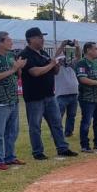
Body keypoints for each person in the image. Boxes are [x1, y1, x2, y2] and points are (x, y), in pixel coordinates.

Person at [19, 28, 78, 160]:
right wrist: (51, 64)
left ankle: (62, 148)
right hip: (34, 97)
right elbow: (35, 72)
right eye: (40, 37)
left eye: (42, 37)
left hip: (49, 95)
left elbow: (54, 71)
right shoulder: (25, 54)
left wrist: (56, 65)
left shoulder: (43, 53)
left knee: (56, 123)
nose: (42, 39)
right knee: (35, 126)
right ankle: (37, 151)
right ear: (31, 39)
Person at [0, 31, 27, 170]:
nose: (11, 42)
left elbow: (17, 76)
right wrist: (14, 68)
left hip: (13, 99)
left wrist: (19, 68)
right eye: (8, 40)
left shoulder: (11, 56)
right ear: (0, 42)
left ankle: (10, 157)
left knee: (12, 132)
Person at [76, 42, 97, 152]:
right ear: (88, 50)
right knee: (86, 122)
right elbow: (83, 79)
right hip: (87, 98)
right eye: (95, 49)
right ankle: (85, 145)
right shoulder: (82, 63)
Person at [54, 41, 81, 137]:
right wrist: (62, 45)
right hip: (61, 95)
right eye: (61, 59)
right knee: (58, 116)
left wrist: (77, 47)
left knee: (71, 116)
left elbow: (78, 57)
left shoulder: (71, 66)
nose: (63, 60)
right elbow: (55, 57)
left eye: (64, 59)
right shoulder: (56, 68)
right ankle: (56, 133)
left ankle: (69, 132)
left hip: (73, 94)